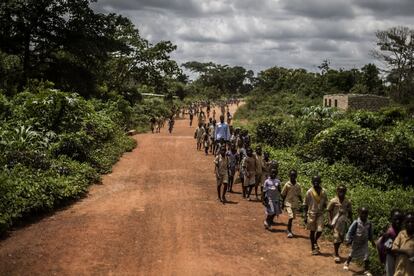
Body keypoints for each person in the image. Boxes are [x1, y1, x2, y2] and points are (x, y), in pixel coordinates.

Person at [344, 207, 376, 276]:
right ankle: (347, 263)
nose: (364, 215)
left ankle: (366, 270)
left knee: (366, 255)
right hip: (356, 241)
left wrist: (372, 241)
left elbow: (370, 234)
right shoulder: (356, 222)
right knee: (352, 253)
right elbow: (350, 232)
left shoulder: (369, 223)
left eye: (366, 213)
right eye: (363, 213)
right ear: (359, 213)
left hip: (364, 242)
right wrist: (348, 240)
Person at [327, 185, 353, 263]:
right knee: (336, 237)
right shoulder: (333, 201)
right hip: (335, 222)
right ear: (337, 191)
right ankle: (336, 254)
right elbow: (329, 210)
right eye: (340, 191)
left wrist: (352, 222)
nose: (341, 193)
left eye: (343, 191)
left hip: (343, 223)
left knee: (341, 238)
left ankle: (336, 251)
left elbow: (350, 212)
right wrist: (329, 221)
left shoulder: (347, 202)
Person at [304, 175, 328, 255]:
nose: (316, 183)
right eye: (314, 181)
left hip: (320, 213)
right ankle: (313, 247)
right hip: (311, 213)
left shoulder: (324, 192)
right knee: (312, 231)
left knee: (320, 230)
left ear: (320, 182)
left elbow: (325, 203)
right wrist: (305, 216)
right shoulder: (309, 192)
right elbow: (305, 204)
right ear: (312, 182)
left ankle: (314, 241)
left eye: (317, 181)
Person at [376, 209, 404, 276]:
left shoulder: (400, 231)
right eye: (395, 219)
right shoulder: (391, 233)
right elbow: (388, 248)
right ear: (391, 219)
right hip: (390, 256)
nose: (398, 221)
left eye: (400, 219)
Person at [391, 212, 414, 276]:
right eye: (408, 222)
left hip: (411, 270)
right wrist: (406, 251)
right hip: (400, 269)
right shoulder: (401, 234)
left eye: (412, 222)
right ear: (405, 223)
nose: (410, 224)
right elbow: (394, 248)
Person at [281, 169, 302, 238]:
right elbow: (283, 194)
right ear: (289, 176)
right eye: (291, 175)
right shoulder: (287, 184)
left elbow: (299, 195)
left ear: (296, 176)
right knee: (291, 216)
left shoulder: (298, 185)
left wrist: (302, 202)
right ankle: (289, 231)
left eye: (294, 175)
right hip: (288, 203)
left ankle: (288, 229)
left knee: (292, 218)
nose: (293, 177)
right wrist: (282, 204)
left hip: (295, 203)